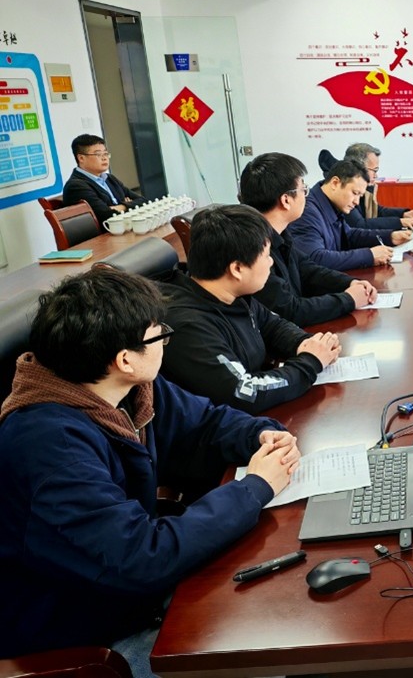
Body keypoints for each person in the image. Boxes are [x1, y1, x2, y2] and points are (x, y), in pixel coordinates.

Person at [0, 267, 298, 671]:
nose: (165, 344)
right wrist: (256, 486)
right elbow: (140, 557)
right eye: (160, 336)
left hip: (134, 593)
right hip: (83, 635)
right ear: (124, 359)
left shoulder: (124, 388)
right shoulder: (49, 446)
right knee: (270, 649)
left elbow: (206, 422)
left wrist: (260, 434)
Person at [159, 205, 341, 415]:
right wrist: (311, 361)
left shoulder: (231, 293)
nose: (271, 262)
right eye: (266, 255)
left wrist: (307, 344)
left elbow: (272, 326)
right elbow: (244, 392)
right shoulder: (188, 325)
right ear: (237, 269)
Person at [238, 152, 378, 326]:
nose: (306, 196)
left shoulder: (281, 234)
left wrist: (350, 283)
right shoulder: (253, 248)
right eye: (303, 190)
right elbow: (290, 310)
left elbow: (307, 270)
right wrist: (348, 299)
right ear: (286, 200)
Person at [290, 158, 411, 271]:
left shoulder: (331, 204)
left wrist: (390, 237)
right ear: (335, 183)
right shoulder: (306, 212)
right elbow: (315, 259)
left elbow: (349, 235)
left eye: (360, 196)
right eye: (355, 193)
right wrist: (369, 256)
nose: (356, 202)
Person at [342, 142, 413, 230]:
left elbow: (377, 211)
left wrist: (403, 214)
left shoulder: (365, 187)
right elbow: (359, 224)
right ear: (358, 168)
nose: (376, 176)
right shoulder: (344, 188)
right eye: (374, 170)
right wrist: (400, 222)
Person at [62, 133, 144, 223]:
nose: (104, 158)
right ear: (81, 158)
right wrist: (129, 204)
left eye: (105, 153)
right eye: (98, 154)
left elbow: (143, 201)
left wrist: (122, 206)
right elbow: (107, 215)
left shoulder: (110, 178)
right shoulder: (76, 186)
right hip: (105, 231)